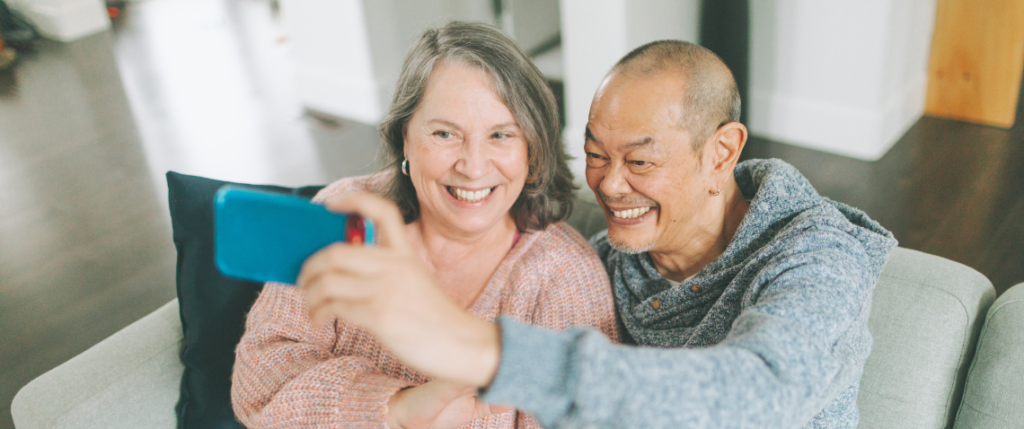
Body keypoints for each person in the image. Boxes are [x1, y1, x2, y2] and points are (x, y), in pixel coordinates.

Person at [299, 40, 899, 429]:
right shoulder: (599, 267)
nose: (610, 186)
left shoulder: (816, 253)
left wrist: (482, 349)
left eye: (640, 162)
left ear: (722, 153)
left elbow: (767, 390)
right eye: (594, 155)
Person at [230, 22, 620, 429]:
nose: (472, 166)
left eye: (501, 135)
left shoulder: (566, 278)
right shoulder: (344, 215)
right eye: (445, 133)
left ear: (532, 152)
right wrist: (398, 409)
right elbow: (260, 381)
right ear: (405, 139)